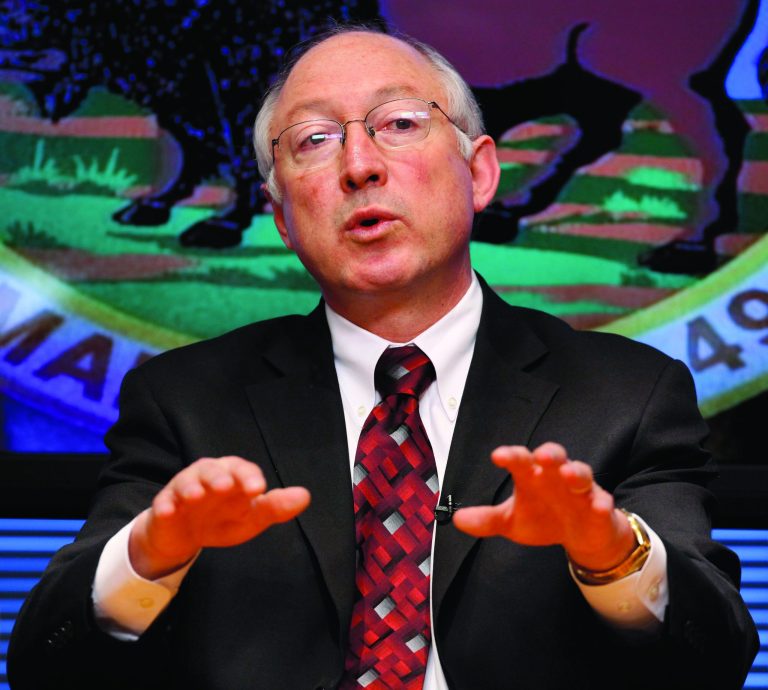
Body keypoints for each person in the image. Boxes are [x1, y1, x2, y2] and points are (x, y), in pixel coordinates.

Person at [8, 26, 758, 690]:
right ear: (282, 217)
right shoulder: (184, 401)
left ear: (480, 174)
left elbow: (716, 657)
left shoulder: (628, 393)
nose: (359, 165)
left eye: (399, 123)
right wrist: (149, 556)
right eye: (314, 140)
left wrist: (611, 553)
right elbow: (44, 664)